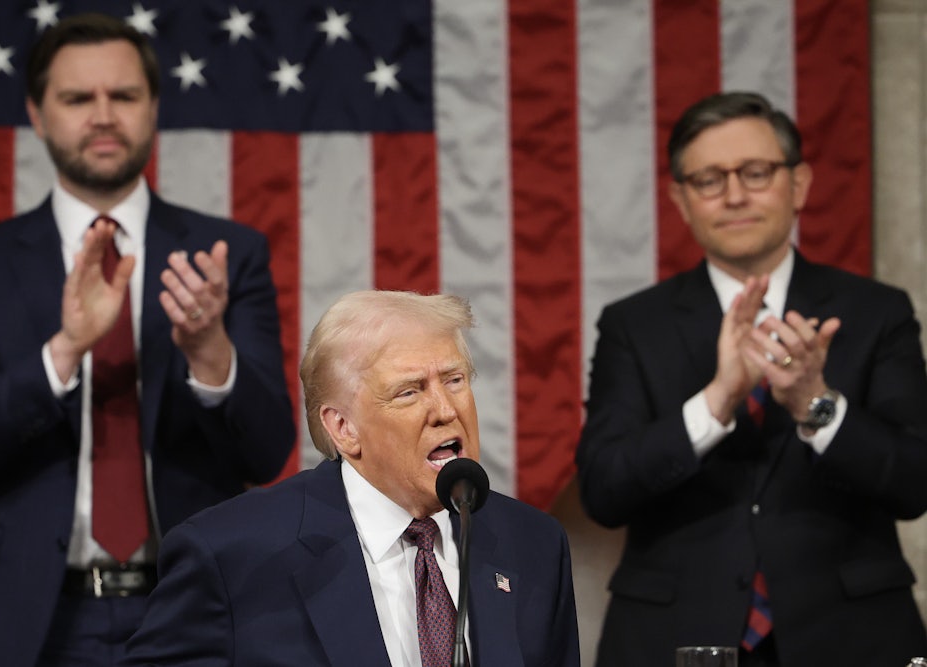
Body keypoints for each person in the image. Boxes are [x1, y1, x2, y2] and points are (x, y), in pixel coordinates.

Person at [0, 13, 296, 667]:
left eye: (123, 96)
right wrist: (63, 349)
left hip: (192, 609)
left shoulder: (226, 255)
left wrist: (210, 352)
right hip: (23, 621)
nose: (103, 115)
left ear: (153, 107)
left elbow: (267, 453)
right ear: (38, 115)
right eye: (77, 98)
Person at [575, 91, 927, 667]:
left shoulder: (875, 312)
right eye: (710, 179)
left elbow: (915, 483)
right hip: (676, 637)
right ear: (681, 200)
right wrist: (716, 402)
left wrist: (817, 404)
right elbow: (604, 491)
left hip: (851, 637)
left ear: (800, 184)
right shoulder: (634, 325)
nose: (734, 194)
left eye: (756, 173)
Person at [122, 290, 580, 666]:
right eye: (409, 391)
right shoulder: (231, 556)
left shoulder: (534, 543)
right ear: (343, 428)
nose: (445, 410)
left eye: (455, 380)